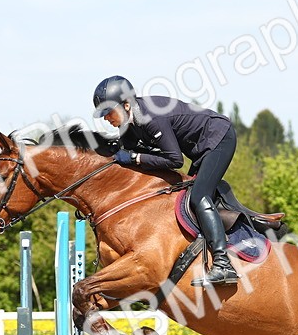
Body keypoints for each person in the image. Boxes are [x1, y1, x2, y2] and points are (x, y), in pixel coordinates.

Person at [92, 75, 240, 287]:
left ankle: (223, 264)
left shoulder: (151, 118)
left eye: (108, 111)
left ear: (126, 105)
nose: (106, 118)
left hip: (219, 138)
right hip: (199, 148)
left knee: (199, 196)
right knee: (183, 196)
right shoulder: (129, 123)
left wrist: (135, 157)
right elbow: (124, 154)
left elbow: (174, 160)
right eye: (102, 114)